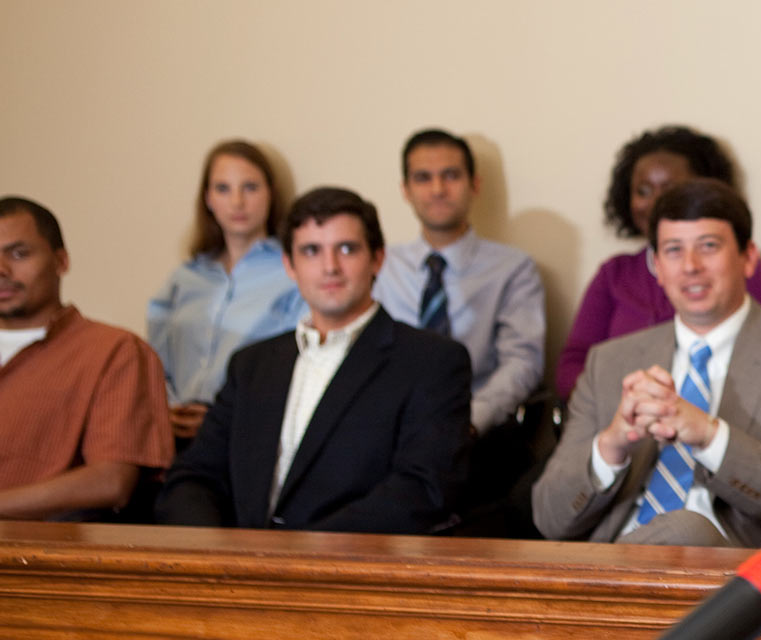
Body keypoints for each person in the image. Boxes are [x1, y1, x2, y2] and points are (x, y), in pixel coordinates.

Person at [534, 178, 761, 547]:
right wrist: (612, 445)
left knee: (685, 529)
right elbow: (548, 519)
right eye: (673, 250)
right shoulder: (609, 361)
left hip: (730, 573)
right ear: (657, 266)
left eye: (708, 246)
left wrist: (710, 436)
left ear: (748, 258)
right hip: (612, 560)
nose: (690, 266)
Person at [157, 187, 472, 533]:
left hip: (348, 572)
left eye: (347, 249)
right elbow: (193, 477)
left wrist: (300, 554)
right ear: (290, 266)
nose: (330, 267)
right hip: (237, 570)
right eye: (311, 251)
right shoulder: (251, 365)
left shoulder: (432, 361)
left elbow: (422, 491)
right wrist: (220, 555)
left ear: (378, 259)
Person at [372, 128, 546, 535]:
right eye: (423, 178)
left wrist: (470, 420)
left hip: (474, 436)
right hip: (386, 434)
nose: (437, 189)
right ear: (405, 189)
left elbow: (522, 362)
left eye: (450, 176)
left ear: (474, 185)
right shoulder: (380, 265)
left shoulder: (512, 268)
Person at [557, 126, 761, 398]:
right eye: (643, 190)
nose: (656, 202)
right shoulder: (613, 274)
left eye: (671, 188)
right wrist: (632, 400)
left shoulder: (738, 266)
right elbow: (572, 366)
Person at [0, 196, 173, 520]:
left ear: (61, 261)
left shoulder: (114, 350)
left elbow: (112, 481)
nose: (1, 269)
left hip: (35, 555)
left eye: (19, 254)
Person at [147, 140, 304, 446]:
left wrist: (226, 414)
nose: (237, 202)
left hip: (252, 434)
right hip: (175, 434)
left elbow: (297, 367)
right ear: (207, 198)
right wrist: (166, 409)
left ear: (271, 193)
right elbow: (154, 362)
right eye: (223, 188)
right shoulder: (185, 278)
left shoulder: (293, 273)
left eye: (250, 187)